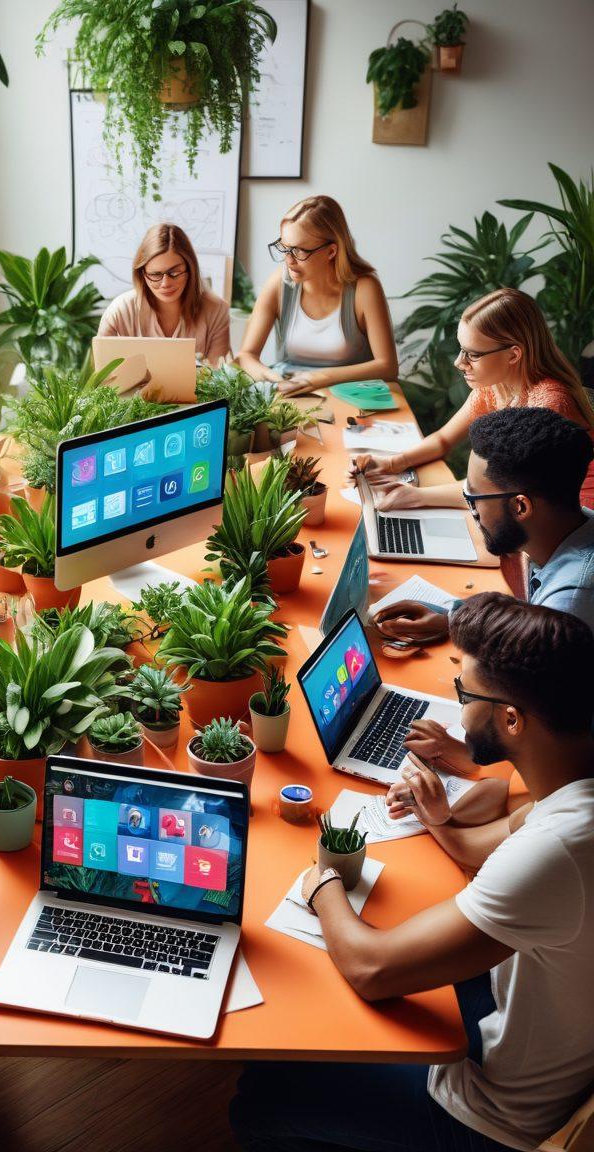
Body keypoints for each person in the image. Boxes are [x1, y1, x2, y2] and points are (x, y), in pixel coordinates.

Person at [230, 594, 594, 1152]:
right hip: (529, 1021)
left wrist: (323, 885)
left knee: (261, 1091)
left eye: (465, 693)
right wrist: (439, 819)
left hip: (490, 1116)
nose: (457, 706)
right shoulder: (573, 782)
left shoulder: (559, 849)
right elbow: (483, 851)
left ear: (513, 719)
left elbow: (372, 969)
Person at [374, 406, 594, 776]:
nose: (472, 511)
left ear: (521, 505)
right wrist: (452, 617)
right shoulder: (571, 528)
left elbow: (556, 749)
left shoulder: (571, 602)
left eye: (474, 499)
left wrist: (467, 757)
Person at [351, 288, 594, 510]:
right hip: (524, 507)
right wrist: (391, 463)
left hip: (575, 515)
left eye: (473, 355)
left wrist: (415, 496)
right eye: (461, 349)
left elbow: (503, 491)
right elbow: (444, 439)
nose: (459, 362)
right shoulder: (496, 386)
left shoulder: (547, 405)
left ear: (513, 355)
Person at [237, 195, 397, 394]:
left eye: (299, 251)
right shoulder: (279, 283)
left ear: (331, 251)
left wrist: (320, 378)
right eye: (284, 248)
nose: (289, 260)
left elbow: (388, 367)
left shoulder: (364, 289)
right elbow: (246, 356)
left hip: (351, 395)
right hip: (291, 392)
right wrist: (275, 381)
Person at [97, 223, 231, 364]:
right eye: (155, 274)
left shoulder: (217, 310)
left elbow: (217, 378)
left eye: (174, 272)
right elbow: (101, 376)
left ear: (190, 270)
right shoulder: (120, 311)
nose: (165, 283)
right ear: (142, 274)